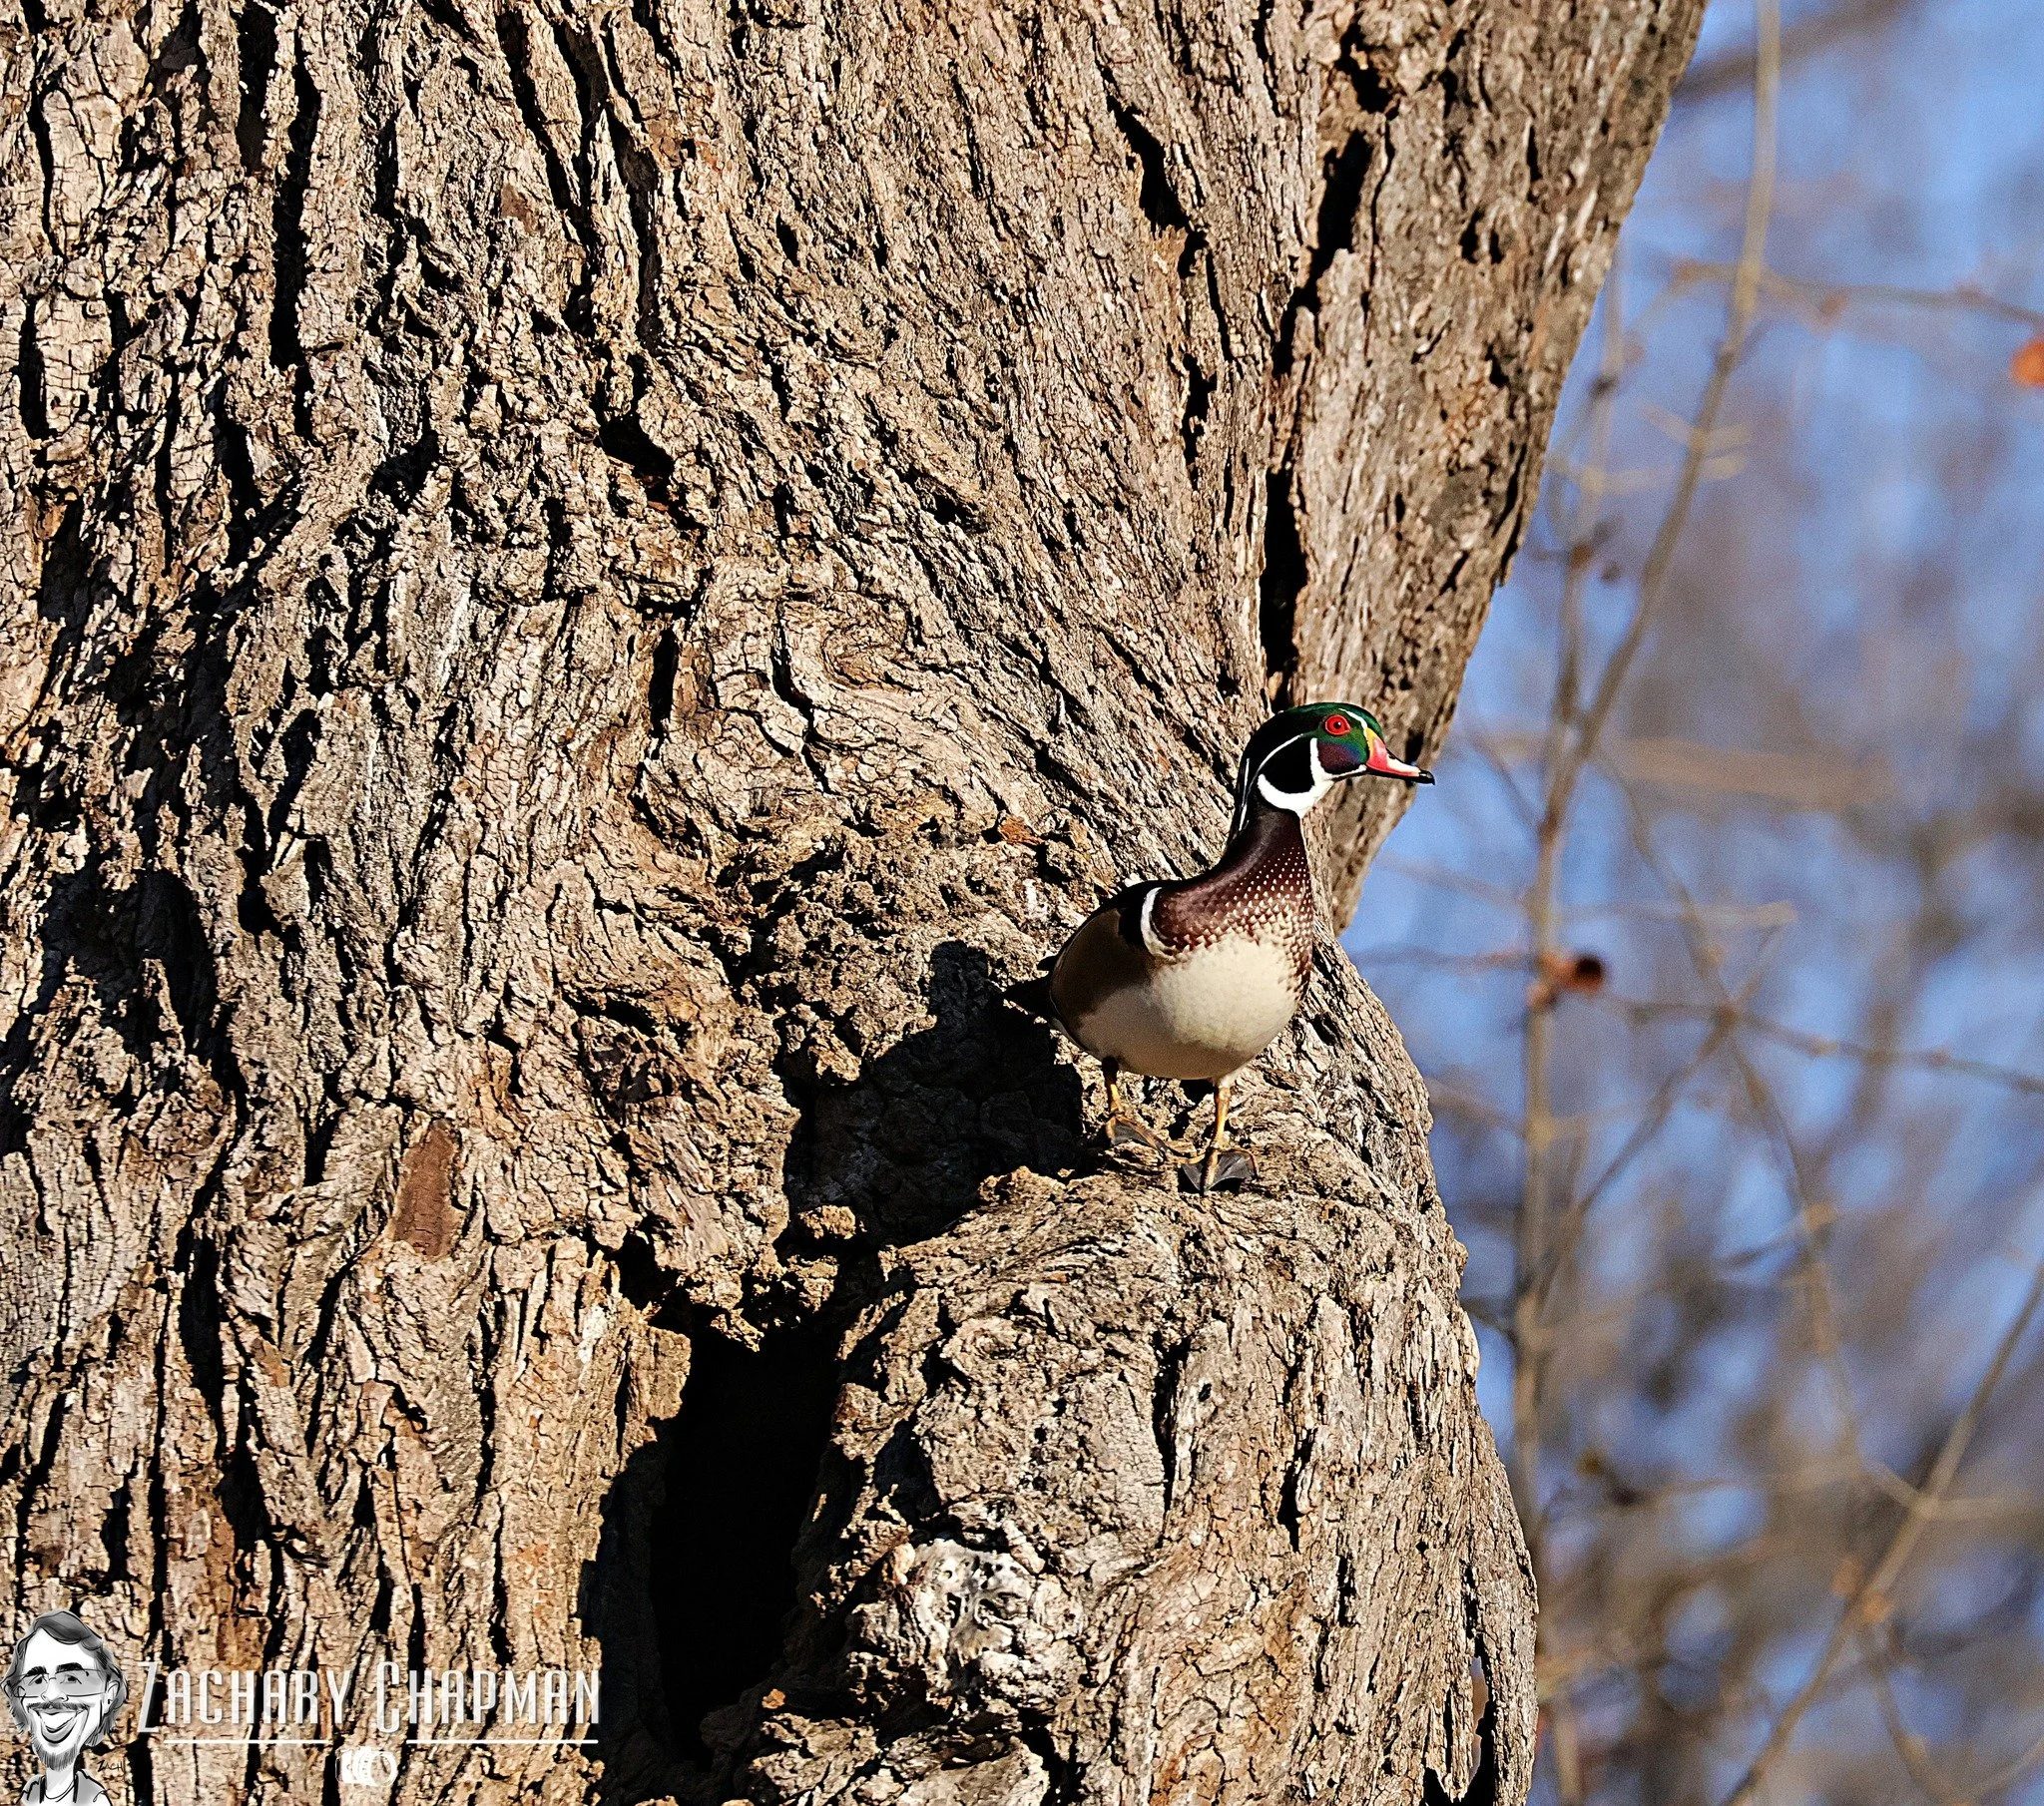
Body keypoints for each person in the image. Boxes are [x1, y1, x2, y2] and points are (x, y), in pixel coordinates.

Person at [2, 1611, 128, 1806]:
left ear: (109, 1694)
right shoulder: (31, 1793)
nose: (50, 1695)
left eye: (72, 1679)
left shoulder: (93, 1799)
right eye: (36, 1680)